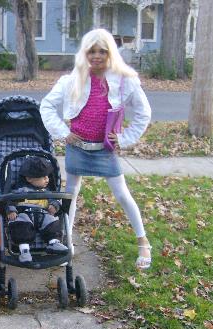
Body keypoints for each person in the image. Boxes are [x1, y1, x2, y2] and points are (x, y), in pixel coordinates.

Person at [40, 28, 152, 270]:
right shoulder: (73, 79)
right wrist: (62, 132)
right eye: (92, 51)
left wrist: (126, 137)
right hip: (77, 147)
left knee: (122, 194)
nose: (97, 56)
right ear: (85, 53)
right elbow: (47, 106)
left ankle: (143, 241)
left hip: (105, 150)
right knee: (71, 193)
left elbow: (144, 113)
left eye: (103, 51)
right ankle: (66, 241)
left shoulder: (124, 80)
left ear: (110, 52)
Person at [6, 156, 68, 263]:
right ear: (29, 178)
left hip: (43, 214)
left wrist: (54, 206)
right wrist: (11, 210)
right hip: (25, 215)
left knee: (52, 221)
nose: (47, 179)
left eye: (47, 176)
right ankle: (24, 250)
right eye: (43, 177)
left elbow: (55, 200)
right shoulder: (21, 190)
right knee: (20, 224)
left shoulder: (47, 191)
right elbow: (10, 201)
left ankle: (53, 243)